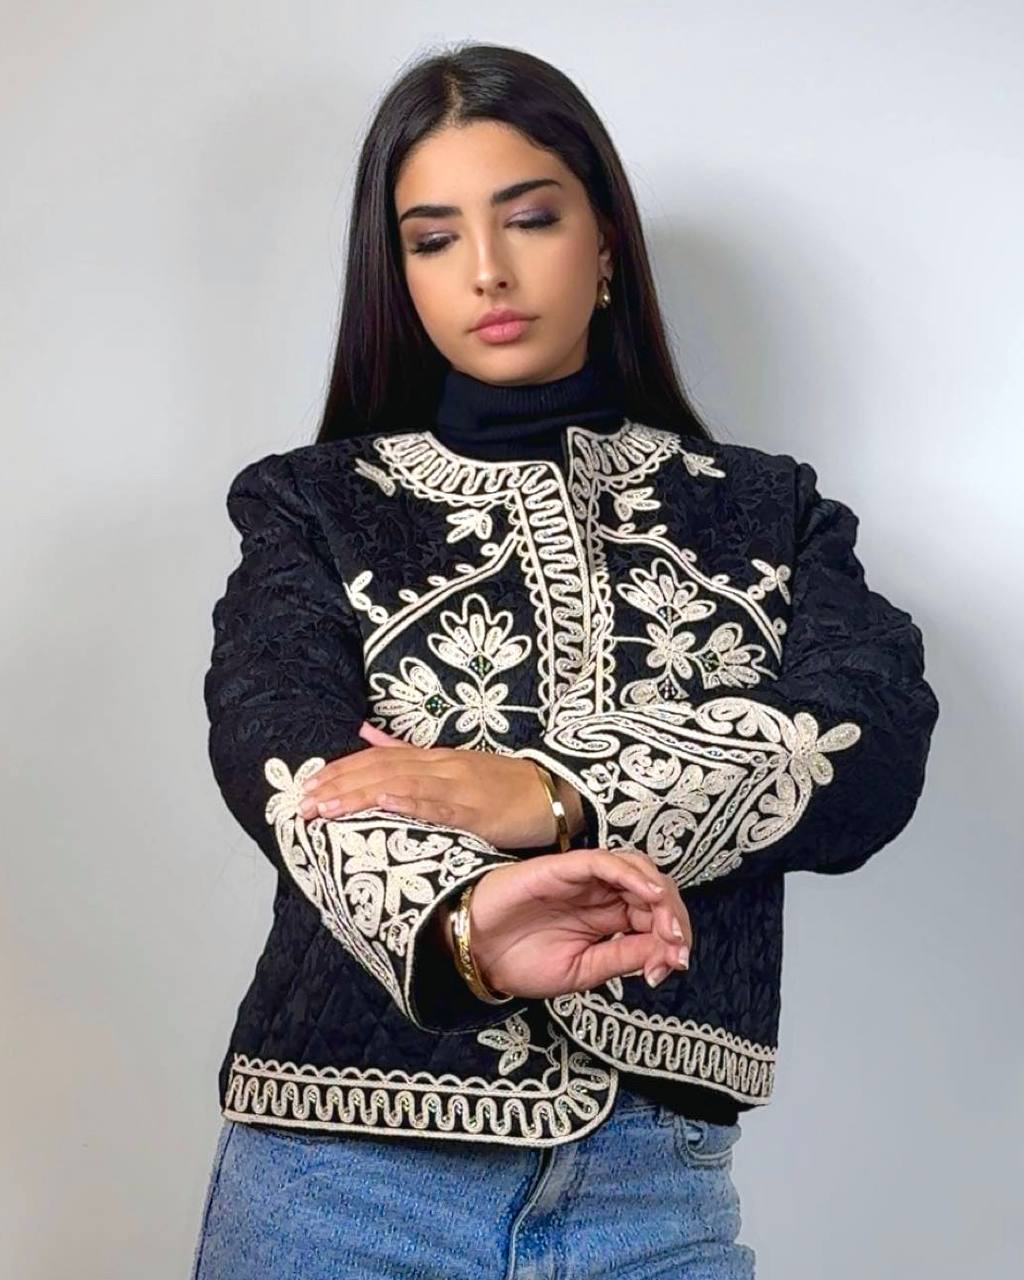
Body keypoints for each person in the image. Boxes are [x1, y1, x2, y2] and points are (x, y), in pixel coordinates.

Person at [190, 41, 939, 1280]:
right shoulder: (311, 504)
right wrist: (466, 922)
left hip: (654, 1188)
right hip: (341, 1178)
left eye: (529, 217)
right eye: (433, 239)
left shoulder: (770, 510)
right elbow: (281, 751)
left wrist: (546, 791)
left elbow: (868, 746)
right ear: (400, 278)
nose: (486, 268)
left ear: (605, 245)